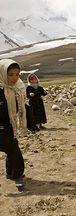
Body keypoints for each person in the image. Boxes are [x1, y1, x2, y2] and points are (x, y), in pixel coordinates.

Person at [0, 59, 27, 190]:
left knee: (13, 151)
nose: (14, 78)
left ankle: (15, 175)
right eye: (10, 75)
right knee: (12, 151)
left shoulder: (18, 88)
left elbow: (22, 108)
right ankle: (13, 174)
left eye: (17, 74)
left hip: (9, 127)